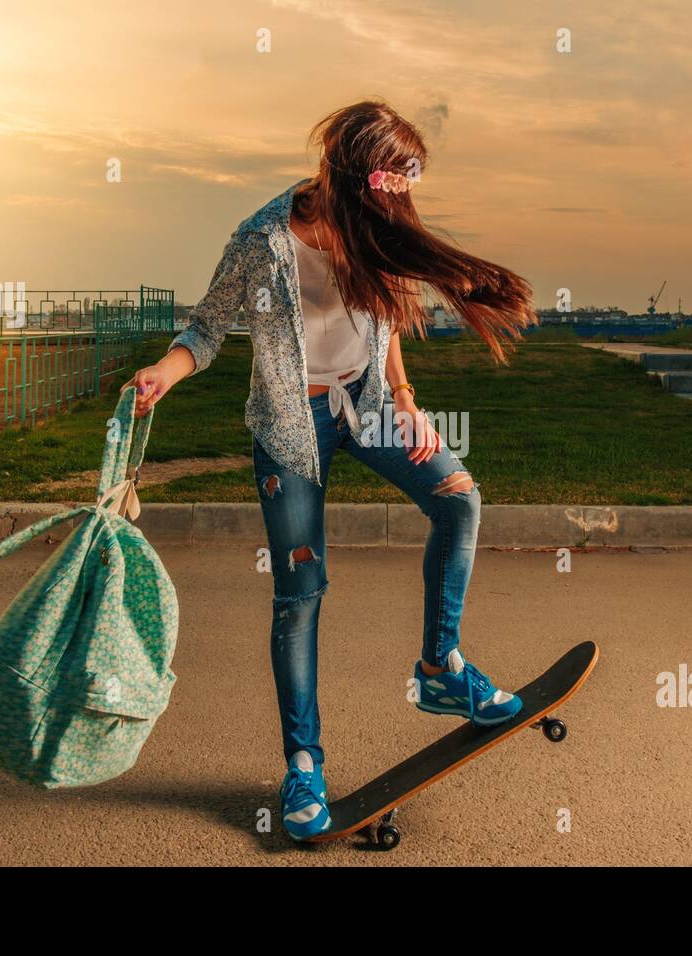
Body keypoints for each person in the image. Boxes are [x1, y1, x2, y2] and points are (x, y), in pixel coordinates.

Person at [128, 101, 535, 840]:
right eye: (388, 187)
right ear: (346, 175)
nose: (395, 207)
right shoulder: (262, 240)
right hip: (292, 423)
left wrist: (405, 400)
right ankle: (304, 767)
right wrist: (164, 370)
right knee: (300, 594)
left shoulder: (375, 228)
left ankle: (442, 667)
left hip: (369, 404)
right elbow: (206, 328)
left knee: (458, 499)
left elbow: (388, 317)